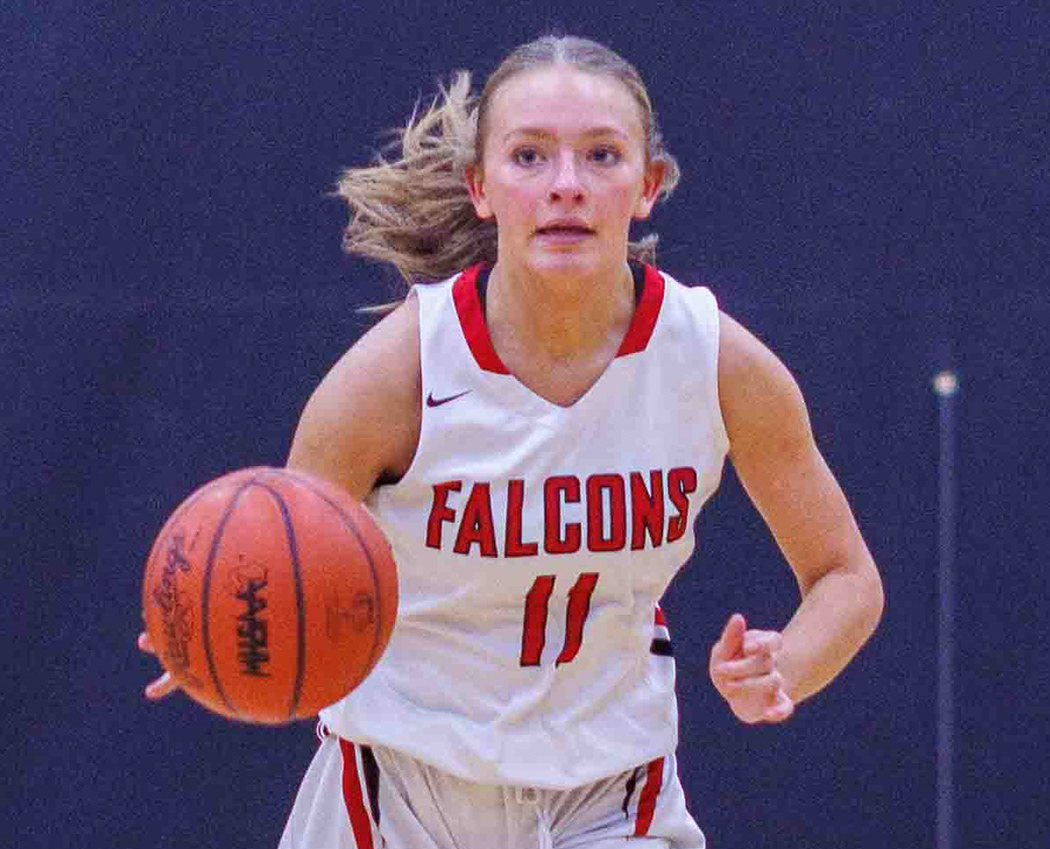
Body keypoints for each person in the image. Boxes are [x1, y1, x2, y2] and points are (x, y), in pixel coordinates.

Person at [140, 34, 884, 848]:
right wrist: (217, 618)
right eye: (529, 156)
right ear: (480, 187)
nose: (567, 185)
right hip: (395, 792)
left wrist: (786, 665)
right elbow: (280, 567)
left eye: (602, 155)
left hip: (608, 798)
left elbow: (847, 577)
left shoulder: (713, 363)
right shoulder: (396, 375)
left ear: (648, 186)